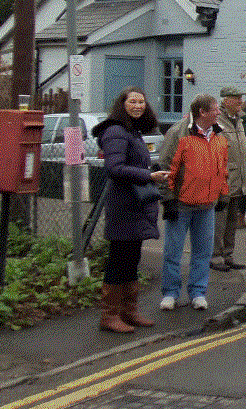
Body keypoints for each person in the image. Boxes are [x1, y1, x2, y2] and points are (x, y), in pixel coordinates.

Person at [93, 87, 169, 333]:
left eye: (141, 102)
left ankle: (128, 312)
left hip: (136, 205)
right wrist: (148, 175)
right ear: (122, 104)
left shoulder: (132, 132)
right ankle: (110, 316)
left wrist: (150, 173)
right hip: (124, 206)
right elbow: (114, 168)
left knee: (132, 259)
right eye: (132, 102)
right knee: (119, 260)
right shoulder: (116, 131)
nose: (138, 106)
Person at [159, 93, 229, 311]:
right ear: (202, 112)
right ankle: (170, 293)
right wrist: (168, 199)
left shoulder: (219, 136)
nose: (219, 112)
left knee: (203, 253)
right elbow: (167, 168)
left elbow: (223, 169)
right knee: (173, 252)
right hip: (181, 204)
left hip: (207, 206)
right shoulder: (179, 134)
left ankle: (198, 292)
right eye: (215, 109)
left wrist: (223, 195)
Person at [211, 87, 246, 271]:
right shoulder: (216, 122)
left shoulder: (238, 121)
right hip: (223, 180)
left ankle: (228, 254)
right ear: (226, 101)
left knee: (232, 220)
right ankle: (216, 256)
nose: (240, 101)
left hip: (238, 179)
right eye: (236, 98)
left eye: (240, 97)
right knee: (220, 220)